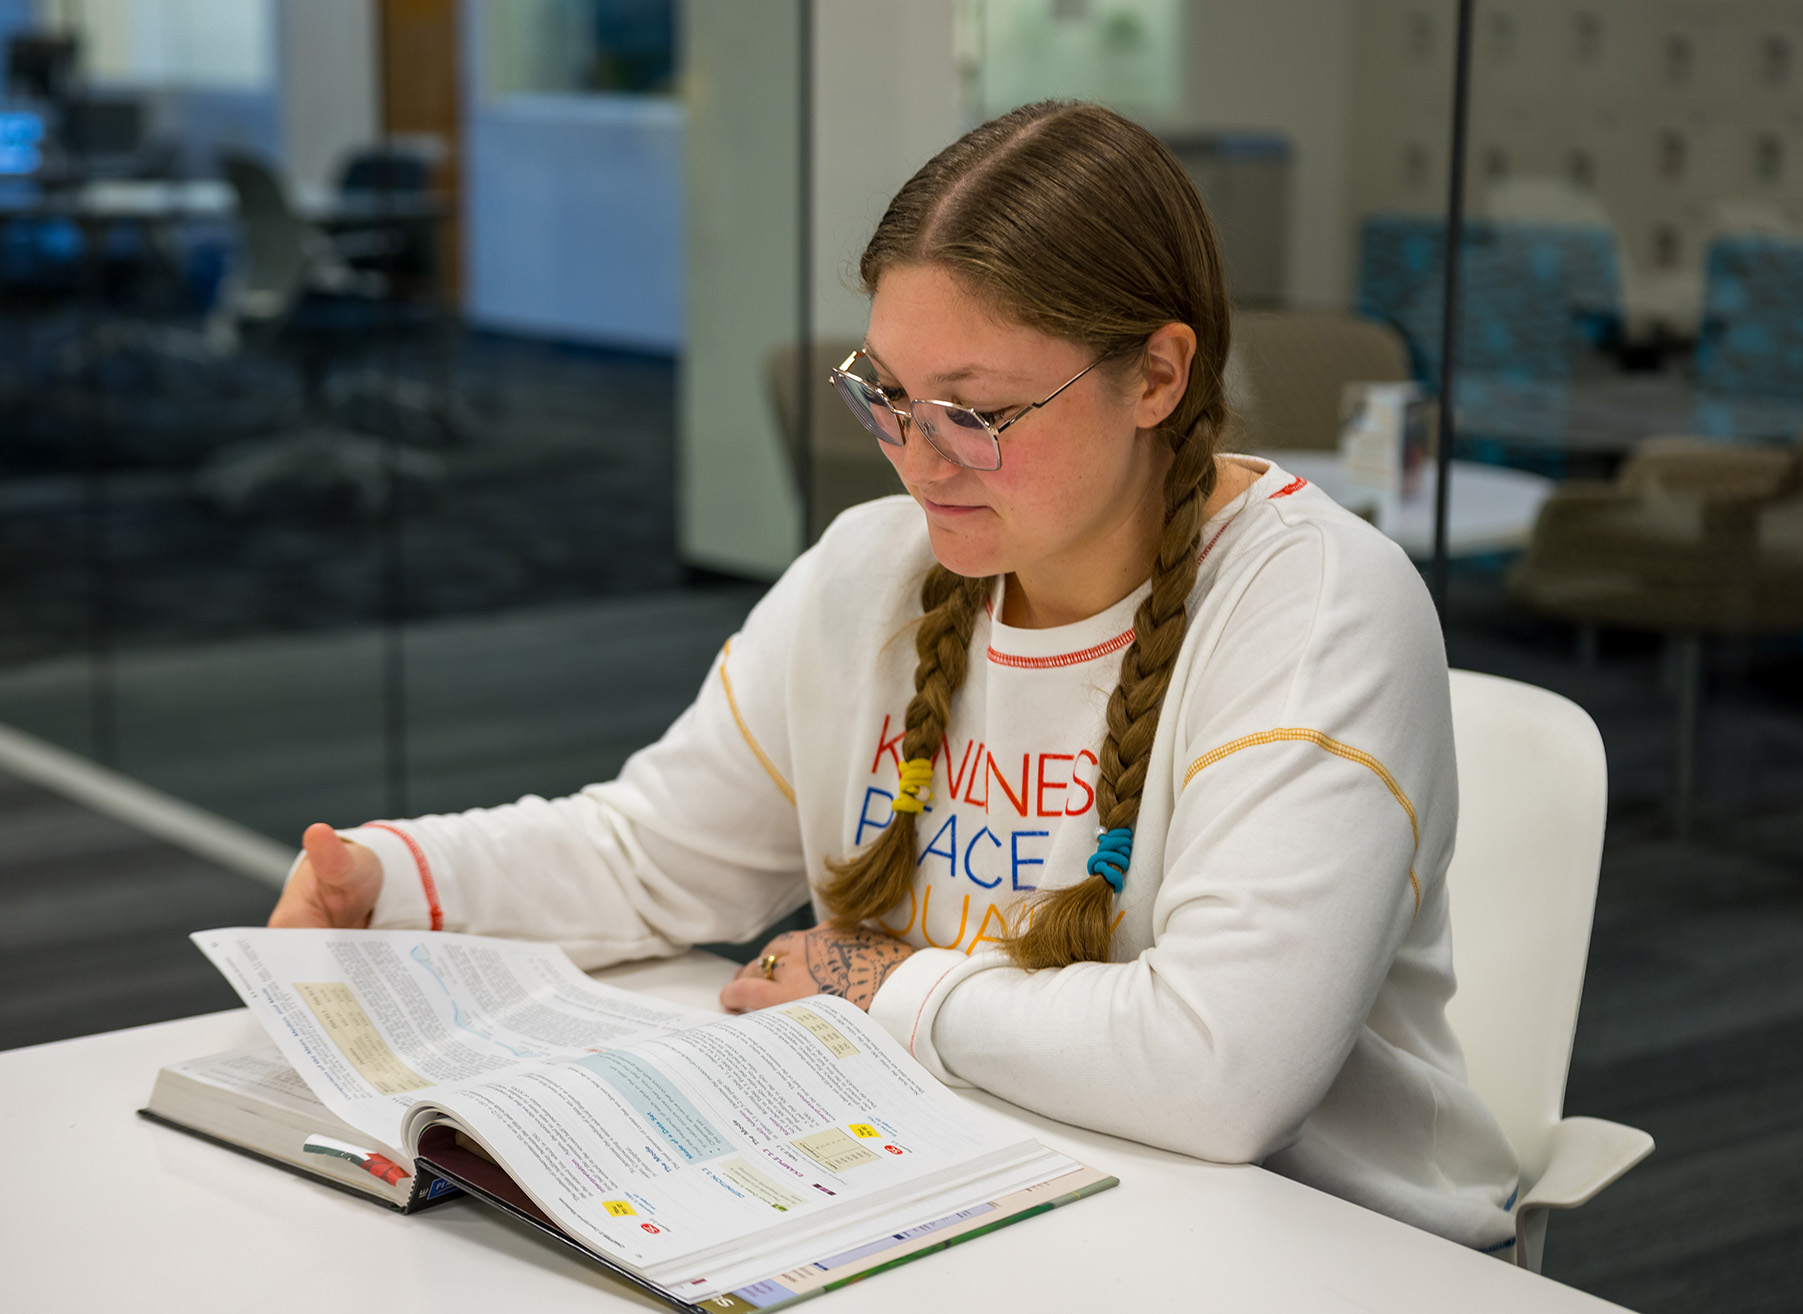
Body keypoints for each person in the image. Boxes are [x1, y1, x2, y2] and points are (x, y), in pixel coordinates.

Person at [269, 101, 1521, 1251]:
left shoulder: (1316, 608)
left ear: (1156, 374)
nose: (918, 461)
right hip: (997, 1193)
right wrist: (390, 880)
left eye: (976, 412)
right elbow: (649, 856)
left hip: (1314, 1252)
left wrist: (868, 979)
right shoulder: (873, 571)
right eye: (888, 396)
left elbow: (1218, 1072)